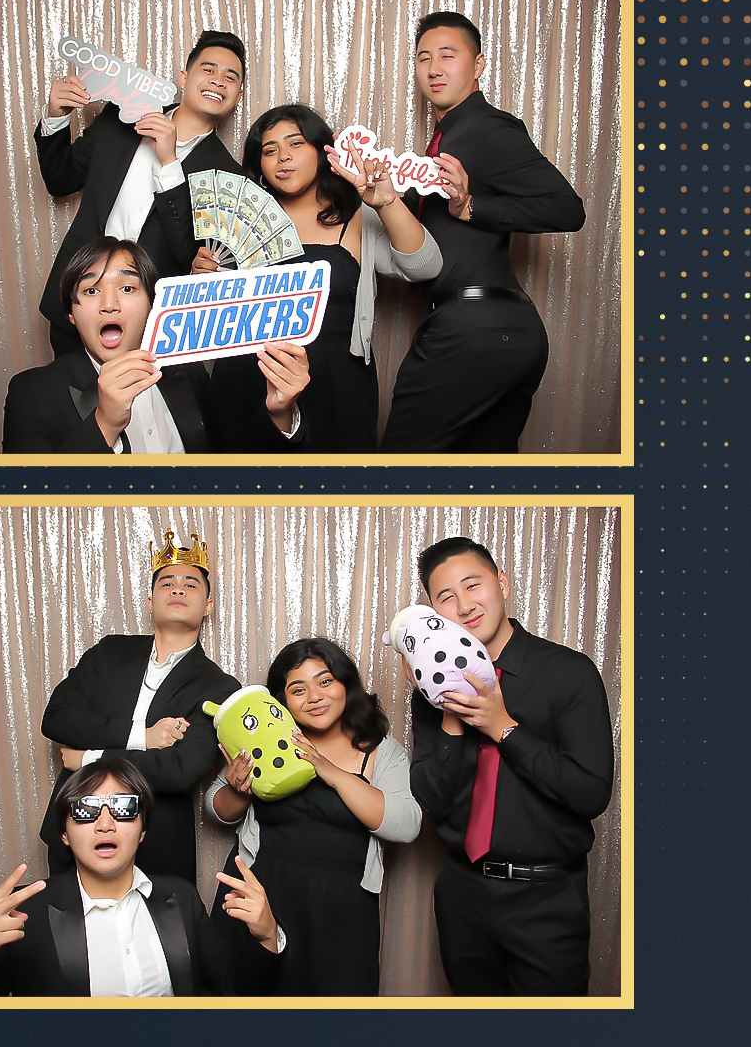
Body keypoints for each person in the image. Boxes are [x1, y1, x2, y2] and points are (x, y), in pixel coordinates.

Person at [409, 535, 614, 995]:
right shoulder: (430, 689)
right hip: (462, 891)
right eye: (446, 597)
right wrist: (447, 705)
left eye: (473, 585)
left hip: (546, 897)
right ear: (433, 612)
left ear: (501, 583)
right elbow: (433, 801)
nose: (464, 605)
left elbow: (590, 794)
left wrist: (504, 728)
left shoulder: (568, 672)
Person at [382, 12, 586, 452]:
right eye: (423, 58)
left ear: (477, 66)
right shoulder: (446, 140)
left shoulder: (487, 128)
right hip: (502, 331)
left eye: (447, 55)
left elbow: (567, 209)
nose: (434, 68)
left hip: (472, 331)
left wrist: (471, 206)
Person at [0, 759, 283, 996]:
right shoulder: (25, 912)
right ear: (64, 833)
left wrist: (268, 936)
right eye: (85, 810)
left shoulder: (182, 898)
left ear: (142, 830)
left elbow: (236, 993)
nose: (105, 823)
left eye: (123, 808)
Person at [197, 105, 442, 452]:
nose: (283, 157)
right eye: (270, 150)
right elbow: (213, 320)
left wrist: (387, 204)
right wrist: (201, 278)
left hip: (335, 381)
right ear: (260, 165)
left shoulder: (357, 215)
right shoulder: (238, 221)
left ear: (322, 151)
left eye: (296, 143)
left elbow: (425, 267)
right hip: (246, 377)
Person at [204, 638, 423, 995]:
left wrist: (329, 771)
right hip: (262, 892)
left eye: (325, 681)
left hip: (340, 906)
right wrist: (238, 790)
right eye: (298, 689)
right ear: (281, 700)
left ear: (345, 684)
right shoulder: (267, 737)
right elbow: (214, 808)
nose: (315, 697)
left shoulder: (381, 752)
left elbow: (407, 826)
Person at [37, 532, 239, 883]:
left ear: (208, 605)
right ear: (150, 601)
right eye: (167, 583)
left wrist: (88, 758)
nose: (178, 590)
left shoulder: (220, 687)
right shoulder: (108, 652)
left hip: (158, 845)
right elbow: (58, 719)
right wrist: (143, 737)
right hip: (77, 830)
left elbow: (180, 769)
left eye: (190, 584)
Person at [35, 30, 246, 356]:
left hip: (151, 325)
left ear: (238, 95)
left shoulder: (229, 176)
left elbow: (189, 255)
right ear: (184, 77)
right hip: (80, 302)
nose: (218, 81)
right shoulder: (125, 113)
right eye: (209, 69)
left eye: (230, 77)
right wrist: (56, 117)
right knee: (68, 389)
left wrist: (169, 163)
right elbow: (61, 181)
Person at [3, 237, 309, 453]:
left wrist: (280, 412)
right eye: (91, 291)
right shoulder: (31, 394)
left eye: (127, 288)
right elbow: (28, 508)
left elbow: (235, 464)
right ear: (71, 313)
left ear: (153, 306)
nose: (109, 305)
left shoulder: (187, 371)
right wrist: (104, 425)